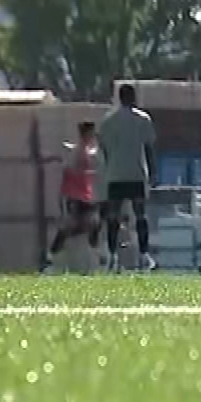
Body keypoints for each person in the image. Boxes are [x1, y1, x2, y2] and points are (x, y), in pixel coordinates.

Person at [99, 83, 156, 271]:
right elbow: (148, 148)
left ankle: (112, 256)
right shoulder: (143, 119)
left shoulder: (108, 121)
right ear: (133, 97)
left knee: (113, 215)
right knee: (140, 214)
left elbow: (104, 148)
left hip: (115, 174)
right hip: (136, 173)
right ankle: (144, 255)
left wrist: (109, 168)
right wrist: (153, 172)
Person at [47, 121, 100, 272]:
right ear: (87, 134)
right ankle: (51, 259)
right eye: (91, 133)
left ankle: (93, 259)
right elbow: (71, 169)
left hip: (84, 196)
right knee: (69, 227)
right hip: (73, 195)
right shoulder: (77, 151)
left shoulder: (85, 150)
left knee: (92, 224)